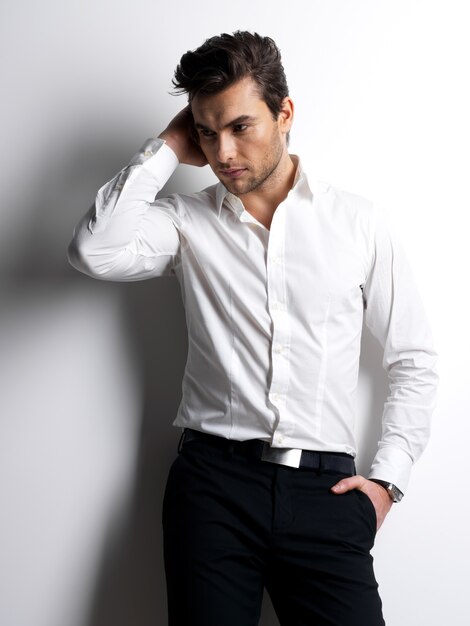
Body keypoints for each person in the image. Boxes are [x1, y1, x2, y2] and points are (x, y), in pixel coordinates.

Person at [68, 31, 438, 626]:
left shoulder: (359, 224)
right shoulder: (185, 222)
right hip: (212, 490)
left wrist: (387, 483)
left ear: (284, 113)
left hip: (327, 496)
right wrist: (166, 147)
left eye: (241, 126)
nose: (222, 151)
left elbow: (414, 359)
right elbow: (94, 251)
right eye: (206, 132)